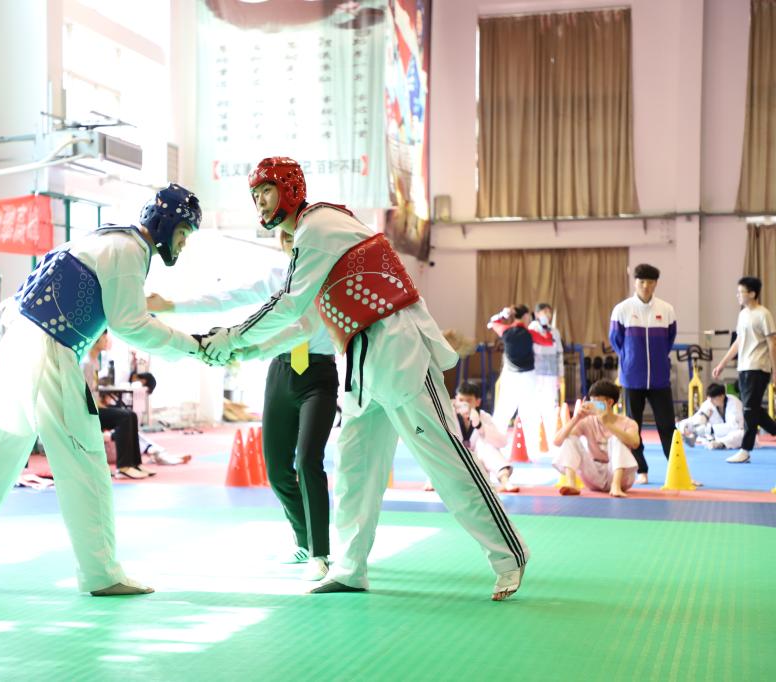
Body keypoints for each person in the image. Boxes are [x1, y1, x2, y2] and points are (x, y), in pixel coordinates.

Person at [200, 157, 529, 600]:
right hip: (360, 358)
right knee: (354, 467)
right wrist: (241, 346)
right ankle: (351, 567)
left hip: (398, 347)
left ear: (290, 188)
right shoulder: (314, 239)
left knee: (445, 460)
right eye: (254, 194)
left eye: (266, 190)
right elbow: (299, 320)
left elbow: (289, 304)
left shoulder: (318, 226)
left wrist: (232, 337)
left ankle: (510, 555)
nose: (259, 201)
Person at [0, 184, 208, 597]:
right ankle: (102, 573)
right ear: (166, 223)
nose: (183, 243)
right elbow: (130, 323)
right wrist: (192, 347)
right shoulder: (129, 251)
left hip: (20, 340)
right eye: (184, 232)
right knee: (84, 458)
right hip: (51, 347)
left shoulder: (104, 237)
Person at [151, 228, 338, 581]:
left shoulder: (321, 279)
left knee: (308, 460)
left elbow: (302, 328)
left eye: (296, 237)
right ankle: (303, 539)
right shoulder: (275, 277)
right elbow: (227, 298)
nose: (290, 243)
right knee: (277, 469)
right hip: (281, 372)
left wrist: (247, 349)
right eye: (285, 238)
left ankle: (320, 553)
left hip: (318, 375)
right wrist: (171, 306)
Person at [609, 263, 677, 484]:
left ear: (656, 284)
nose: (646, 286)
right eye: (642, 282)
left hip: (659, 378)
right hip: (632, 378)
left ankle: (676, 469)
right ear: (635, 282)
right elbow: (616, 340)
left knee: (667, 426)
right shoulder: (622, 309)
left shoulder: (666, 309)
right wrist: (630, 359)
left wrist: (658, 359)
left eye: (650, 282)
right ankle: (641, 470)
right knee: (632, 426)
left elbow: (669, 339)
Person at [711, 276, 776, 463]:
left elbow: (772, 343)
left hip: (759, 367)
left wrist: (775, 370)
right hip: (744, 367)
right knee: (752, 408)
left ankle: (745, 450)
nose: (738, 295)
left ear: (753, 294)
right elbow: (738, 342)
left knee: (748, 409)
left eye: (741, 292)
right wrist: (722, 364)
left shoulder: (763, 314)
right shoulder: (743, 315)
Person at [82, 332, 155, 480]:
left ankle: (134, 463)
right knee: (124, 417)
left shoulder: (95, 362)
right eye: (104, 337)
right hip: (86, 412)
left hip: (94, 408)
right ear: (96, 339)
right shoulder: (87, 363)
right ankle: (123, 467)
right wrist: (101, 407)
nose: (107, 340)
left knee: (131, 415)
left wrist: (103, 405)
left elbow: (93, 392)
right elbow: (85, 396)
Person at [552, 380, 640, 498]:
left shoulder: (628, 423)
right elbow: (557, 441)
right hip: (594, 474)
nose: (593, 405)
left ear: (609, 402)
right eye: (591, 401)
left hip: (621, 476)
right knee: (570, 439)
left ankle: (615, 486)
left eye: (597, 402)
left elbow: (635, 443)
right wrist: (576, 418)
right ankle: (571, 483)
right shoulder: (587, 421)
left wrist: (608, 424)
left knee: (617, 439)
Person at [487, 305, 549, 453]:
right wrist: (545, 326)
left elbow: (491, 323)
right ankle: (531, 448)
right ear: (526, 316)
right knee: (530, 412)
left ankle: (494, 445)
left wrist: (503, 314)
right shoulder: (530, 333)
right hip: (528, 377)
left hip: (510, 376)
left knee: (503, 411)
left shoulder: (505, 330)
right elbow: (548, 341)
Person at [454, 381, 518, 493]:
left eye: (468, 401)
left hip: (479, 468)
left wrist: (480, 426)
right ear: (455, 400)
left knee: (487, 446)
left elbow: (502, 442)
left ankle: (505, 481)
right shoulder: (449, 415)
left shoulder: (484, 417)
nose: (464, 404)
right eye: (461, 400)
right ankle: (433, 480)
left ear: (477, 402)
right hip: (456, 466)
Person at [529, 303, 566, 442]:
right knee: (535, 403)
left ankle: (551, 434)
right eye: (544, 312)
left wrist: (560, 375)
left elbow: (559, 353)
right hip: (536, 372)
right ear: (537, 314)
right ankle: (534, 433)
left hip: (551, 372)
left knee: (551, 404)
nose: (547, 315)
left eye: (549, 312)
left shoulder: (555, 332)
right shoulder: (532, 329)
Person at [676, 382, 744, 450]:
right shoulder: (709, 403)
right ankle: (695, 438)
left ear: (722, 396)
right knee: (694, 425)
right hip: (716, 436)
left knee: (740, 434)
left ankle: (721, 444)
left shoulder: (734, 403)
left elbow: (734, 426)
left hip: (734, 434)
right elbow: (696, 418)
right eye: (709, 398)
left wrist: (710, 429)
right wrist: (685, 426)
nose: (711, 401)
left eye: (713, 398)